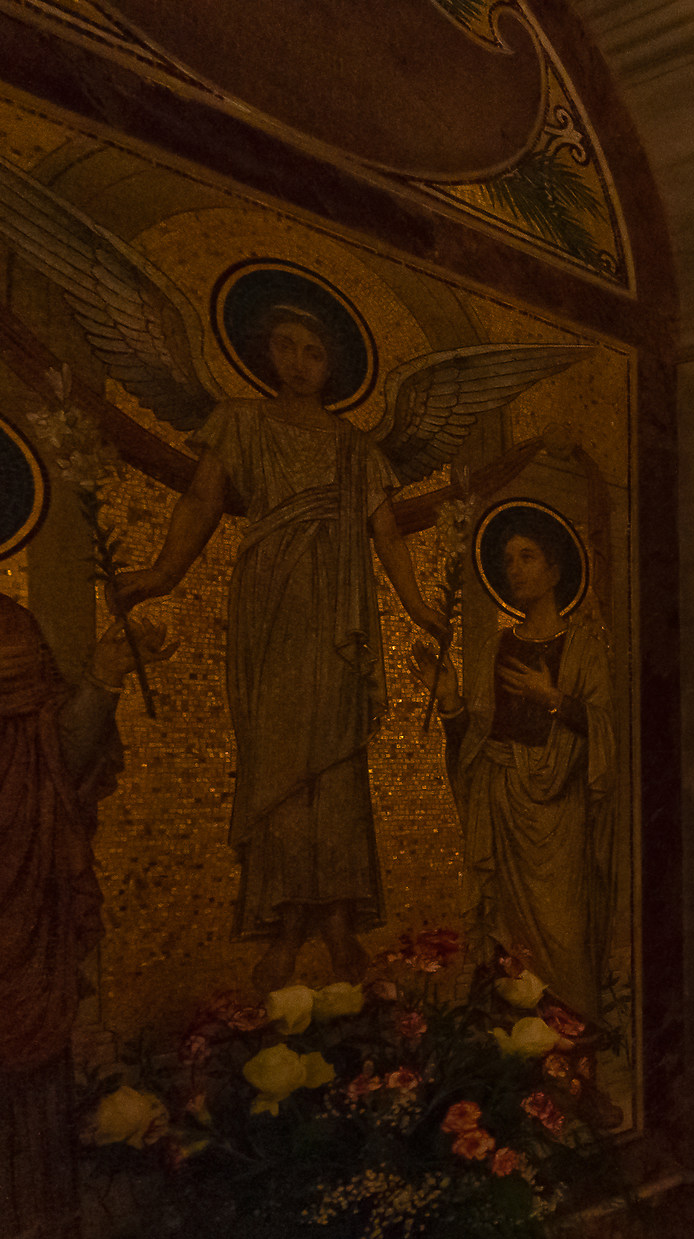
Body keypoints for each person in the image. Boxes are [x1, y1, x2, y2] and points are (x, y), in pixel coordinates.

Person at [114, 303, 448, 992]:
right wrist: (162, 572)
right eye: (285, 346)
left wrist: (419, 608)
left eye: (313, 352)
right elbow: (204, 500)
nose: (298, 361)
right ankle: (284, 921)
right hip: (271, 601)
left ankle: (334, 919)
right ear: (264, 353)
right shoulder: (241, 421)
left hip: (338, 608)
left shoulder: (356, 449)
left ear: (334, 368)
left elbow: (386, 533)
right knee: (277, 759)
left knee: (337, 767)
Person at [0, 563, 174, 1239]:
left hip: (21, 875)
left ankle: (32, 1227)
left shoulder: (17, 629)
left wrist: (103, 676)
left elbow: (59, 756)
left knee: (29, 1052)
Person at [413, 527, 614, 1024]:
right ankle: (516, 1042)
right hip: (501, 807)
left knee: (565, 931)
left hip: (560, 819)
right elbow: (476, 742)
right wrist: (449, 699)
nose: (515, 568)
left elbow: (609, 730)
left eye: (528, 556)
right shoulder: (496, 645)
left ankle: (576, 1038)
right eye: (508, 559)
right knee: (507, 938)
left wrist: (552, 700)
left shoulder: (585, 646)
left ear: (555, 570)